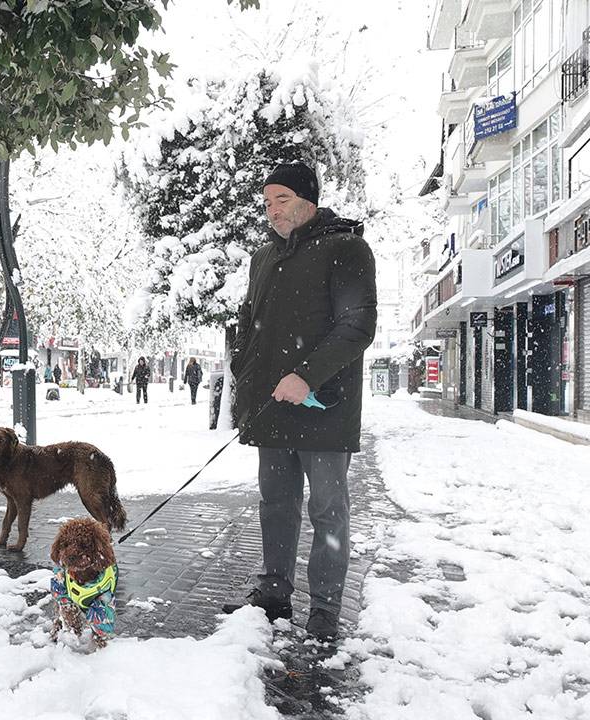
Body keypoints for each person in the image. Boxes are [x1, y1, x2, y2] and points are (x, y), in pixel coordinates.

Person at [226, 162, 377, 642]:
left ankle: (326, 610)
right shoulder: (263, 258)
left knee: (328, 509)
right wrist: (242, 376)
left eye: (282, 200)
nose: (272, 211)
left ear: (308, 198)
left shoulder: (347, 248)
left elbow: (356, 325)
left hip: (324, 407)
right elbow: (250, 327)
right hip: (272, 406)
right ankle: (274, 592)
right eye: (267, 202)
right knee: (276, 504)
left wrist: (306, 376)